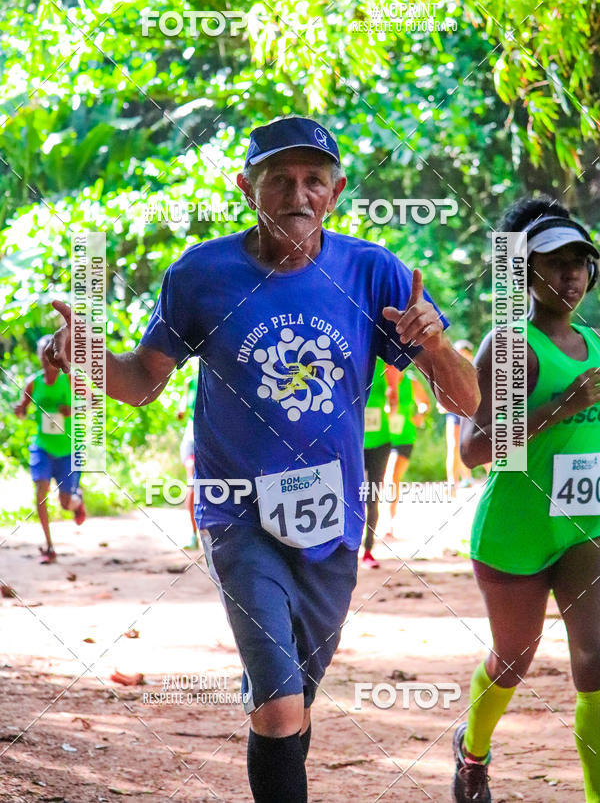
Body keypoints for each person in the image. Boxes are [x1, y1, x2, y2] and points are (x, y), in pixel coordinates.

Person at [44, 116, 479, 803]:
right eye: (280, 179)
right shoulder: (201, 274)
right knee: (279, 707)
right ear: (247, 188)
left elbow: (469, 399)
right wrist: (86, 360)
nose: (297, 194)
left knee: (296, 697)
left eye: (313, 180)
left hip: (332, 519)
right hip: (235, 512)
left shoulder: (374, 273)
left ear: (334, 194)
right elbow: (141, 382)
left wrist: (435, 346)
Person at [454, 196, 600, 803]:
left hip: (584, 525)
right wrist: (561, 407)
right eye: (552, 262)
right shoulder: (511, 344)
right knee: (514, 661)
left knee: (596, 663)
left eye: (580, 262)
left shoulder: (595, 342)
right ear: (526, 273)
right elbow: (474, 448)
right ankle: (472, 750)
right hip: (516, 528)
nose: (569, 275)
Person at [14, 334, 85, 564]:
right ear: (40, 358)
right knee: (41, 491)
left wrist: (71, 410)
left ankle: (77, 501)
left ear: (59, 356)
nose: (47, 361)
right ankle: (49, 546)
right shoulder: (33, 383)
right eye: (44, 357)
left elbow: (92, 403)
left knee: (65, 503)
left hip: (67, 450)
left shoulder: (70, 380)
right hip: (42, 447)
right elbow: (22, 410)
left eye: (51, 356)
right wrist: (19, 410)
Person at [385, 363, 431, 535]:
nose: (393, 368)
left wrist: (421, 413)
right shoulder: (379, 383)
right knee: (382, 480)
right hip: (383, 438)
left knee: (392, 476)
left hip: (404, 438)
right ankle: (381, 518)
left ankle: (390, 522)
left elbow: (425, 403)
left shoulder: (410, 382)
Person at [362, 357, 392, 568]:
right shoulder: (348, 353)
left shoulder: (385, 363)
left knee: (372, 496)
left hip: (380, 441)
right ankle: (344, 549)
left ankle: (368, 550)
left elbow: (395, 397)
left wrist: (393, 396)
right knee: (348, 494)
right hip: (354, 440)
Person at [439, 340, 475, 497]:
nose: (462, 356)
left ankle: (487, 479)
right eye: (459, 352)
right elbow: (440, 399)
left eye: (465, 353)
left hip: (472, 414)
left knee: (473, 445)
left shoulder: (476, 370)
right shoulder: (448, 371)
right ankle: (452, 483)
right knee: (453, 447)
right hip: (453, 414)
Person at [177, 368, 199, 549]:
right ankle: (193, 534)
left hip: (209, 440)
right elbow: (181, 410)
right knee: (192, 482)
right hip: (192, 438)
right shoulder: (191, 381)